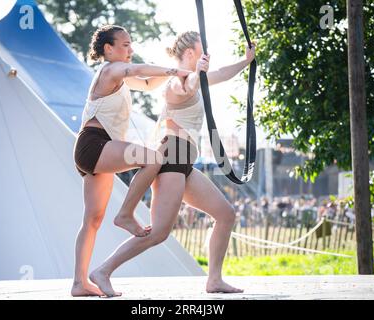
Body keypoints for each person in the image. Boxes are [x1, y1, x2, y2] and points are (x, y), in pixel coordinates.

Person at [89, 31, 256, 296]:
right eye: (203, 52)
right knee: (158, 233)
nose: (208, 58)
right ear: (190, 54)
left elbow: (221, 74)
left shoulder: (193, 78)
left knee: (225, 214)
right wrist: (194, 76)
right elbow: (185, 87)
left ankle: (214, 279)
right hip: (172, 156)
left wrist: (245, 62)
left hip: (185, 160)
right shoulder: (177, 83)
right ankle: (103, 270)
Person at [71, 25, 191, 297]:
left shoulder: (119, 76)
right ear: (108, 49)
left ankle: (79, 283)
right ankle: (126, 214)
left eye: (131, 44)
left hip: (96, 149)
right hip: (96, 144)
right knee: (153, 159)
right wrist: (175, 71)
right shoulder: (109, 70)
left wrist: (176, 66)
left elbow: (147, 83)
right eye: (125, 45)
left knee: (92, 219)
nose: (130, 49)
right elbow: (136, 70)